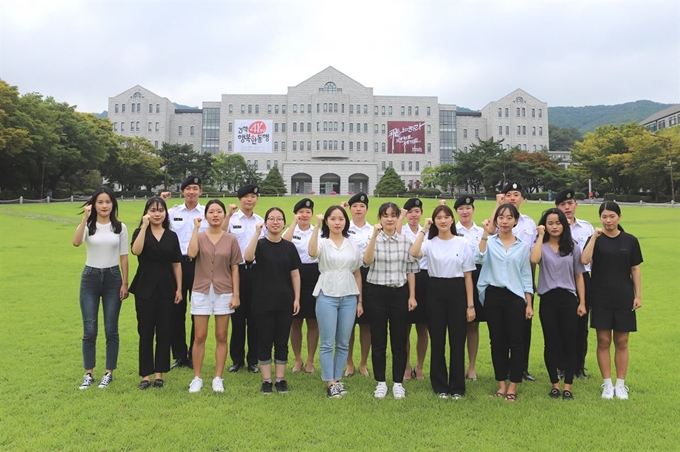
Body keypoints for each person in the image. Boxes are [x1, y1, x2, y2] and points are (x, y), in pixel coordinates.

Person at [410, 205, 476, 399]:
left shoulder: (462, 243)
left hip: (457, 291)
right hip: (435, 290)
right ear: (434, 221)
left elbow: (468, 277)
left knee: (457, 340)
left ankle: (457, 387)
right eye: (438, 217)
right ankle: (440, 386)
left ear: (452, 220)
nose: (443, 220)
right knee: (437, 340)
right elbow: (414, 253)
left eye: (446, 217)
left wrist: (470, 305)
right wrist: (424, 229)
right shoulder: (430, 243)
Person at [581, 202, 642, 400]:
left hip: (624, 296)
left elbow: (635, 269)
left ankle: (621, 385)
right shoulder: (595, 239)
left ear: (619, 217)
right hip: (600, 296)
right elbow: (584, 260)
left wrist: (638, 295)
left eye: (612, 216)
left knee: (622, 342)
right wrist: (594, 238)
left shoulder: (630, 240)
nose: (608, 220)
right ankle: (607, 384)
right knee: (603, 340)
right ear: (600, 218)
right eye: (605, 216)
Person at [72, 186, 129, 390]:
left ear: (113, 204)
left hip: (113, 278)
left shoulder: (120, 227)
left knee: (111, 329)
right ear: (93, 205)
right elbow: (76, 242)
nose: (104, 205)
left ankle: (108, 372)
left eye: (108, 202)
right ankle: (88, 373)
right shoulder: (89, 225)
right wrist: (84, 219)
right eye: (100, 202)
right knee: (89, 330)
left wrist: (125, 282)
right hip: (90, 278)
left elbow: (124, 256)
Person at [477, 203, 533, 402]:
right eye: (501, 217)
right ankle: (501, 384)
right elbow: (479, 257)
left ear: (516, 221)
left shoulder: (523, 246)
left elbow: (526, 275)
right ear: (496, 220)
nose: (505, 221)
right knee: (497, 341)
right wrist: (485, 233)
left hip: (515, 297)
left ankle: (513, 386)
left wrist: (529, 303)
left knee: (516, 342)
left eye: (509, 217)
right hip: (493, 295)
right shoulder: (490, 241)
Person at [185, 200, 242, 393]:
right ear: (206, 215)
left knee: (221, 335)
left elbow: (235, 267)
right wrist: (195, 229)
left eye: (219, 211)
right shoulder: (200, 236)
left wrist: (236, 294)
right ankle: (197, 377)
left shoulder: (231, 239)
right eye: (211, 212)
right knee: (199, 336)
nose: (215, 215)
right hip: (201, 290)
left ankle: (218, 377)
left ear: (224, 214)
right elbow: (191, 253)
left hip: (224, 291)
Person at [364, 202, 420, 399]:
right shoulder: (373, 239)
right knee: (378, 339)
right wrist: (373, 236)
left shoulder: (405, 241)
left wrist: (412, 296)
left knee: (399, 339)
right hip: (376, 292)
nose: (389, 219)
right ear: (379, 218)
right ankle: (380, 382)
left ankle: (397, 382)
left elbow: (411, 269)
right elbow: (367, 261)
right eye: (385, 215)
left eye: (393, 215)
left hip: (399, 293)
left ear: (398, 218)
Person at [530, 208, 587, 400]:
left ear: (564, 224)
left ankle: (568, 385)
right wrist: (540, 236)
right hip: (548, 299)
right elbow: (534, 259)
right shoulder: (541, 246)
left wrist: (582, 302)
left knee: (569, 342)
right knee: (551, 342)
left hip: (569, 299)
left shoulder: (572, 246)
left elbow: (579, 275)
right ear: (544, 225)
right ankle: (555, 384)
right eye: (550, 223)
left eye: (558, 222)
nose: (554, 227)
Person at [308, 206, 364, 398]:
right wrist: (316, 225)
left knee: (343, 342)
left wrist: (359, 300)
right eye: (333, 219)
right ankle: (329, 381)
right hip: (327, 294)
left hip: (349, 295)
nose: (337, 222)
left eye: (341, 219)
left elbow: (357, 272)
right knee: (327, 342)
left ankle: (337, 379)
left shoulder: (352, 244)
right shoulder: (322, 243)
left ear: (345, 222)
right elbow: (312, 252)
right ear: (327, 222)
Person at [244, 207, 301, 394]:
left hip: (285, 301)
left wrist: (297, 298)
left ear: (284, 223)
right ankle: (266, 380)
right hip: (262, 302)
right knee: (265, 341)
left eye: (279, 219)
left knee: (281, 341)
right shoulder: (260, 245)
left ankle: (280, 379)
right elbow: (248, 257)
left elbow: (295, 274)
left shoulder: (289, 247)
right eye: (271, 219)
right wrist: (256, 233)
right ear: (266, 222)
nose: (275, 222)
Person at [129, 197, 183, 389]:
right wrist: (144, 227)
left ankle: (159, 372)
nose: (157, 213)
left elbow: (177, 264)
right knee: (145, 332)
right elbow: (136, 251)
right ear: (147, 212)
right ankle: (146, 374)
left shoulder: (171, 236)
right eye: (153, 210)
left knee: (164, 331)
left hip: (167, 287)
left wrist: (179, 288)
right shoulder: (139, 232)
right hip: (145, 287)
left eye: (161, 210)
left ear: (165, 213)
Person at [491, 182, 538, 381]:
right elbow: (488, 238)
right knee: (501, 333)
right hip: (501, 282)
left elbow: (535, 254)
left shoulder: (530, 224)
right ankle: (505, 370)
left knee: (523, 330)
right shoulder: (497, 221)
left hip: (524, 282)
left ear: (522, 199)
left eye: (516, 194)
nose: (512, 197)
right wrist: (497, 207)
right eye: (508, 194)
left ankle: (521, 369)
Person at [168, 175, 209, 369]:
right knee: (176, 310)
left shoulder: (207, 212)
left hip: (199, 264)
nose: (191, 191)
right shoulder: (172, 212)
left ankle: (194, 355)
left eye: (195, 188)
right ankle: (179, 355)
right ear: (182, 191)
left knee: (198, 310)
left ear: (200, 191)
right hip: (176, 264)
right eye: (188, 188)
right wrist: (162, 200)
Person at [555, 188, 594, 379]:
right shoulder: (552, 226)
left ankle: (579, 367)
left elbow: (594, 257)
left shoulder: (587, 228)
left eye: (570, 204)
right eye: (562, 204)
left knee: (581, 326)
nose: (567, 207)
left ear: (576, 205)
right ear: (557, 207)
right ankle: (562, 367)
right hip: (560, 279)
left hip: (583, 279)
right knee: (561, 325)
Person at [225, 184, 264, 373]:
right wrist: (227, 215)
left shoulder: (260, 221)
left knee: (255, 318)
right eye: (246, 197)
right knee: (238, 318)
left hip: (256, 273)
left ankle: (253, 360)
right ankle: (237, 360)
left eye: (253, 197)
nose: (250, 200)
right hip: (236, 271)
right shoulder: (232, 219)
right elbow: (222, 237)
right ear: (240, 199)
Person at [282, 198, 320, 374]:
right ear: (296, 214)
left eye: (308, 212)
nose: (304, 215)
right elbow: (284, 244)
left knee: (313, 322)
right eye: (301, 212)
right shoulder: (291, 230)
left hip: (315, 275)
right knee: (295, 322)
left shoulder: (318, 231)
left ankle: (311, 360)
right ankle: (298, 359)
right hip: (293, 276)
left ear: (312, 214)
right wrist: (294, 223)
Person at [454, 195, 486, 381]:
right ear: (456, 212)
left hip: (476, 278)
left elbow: (483, 256)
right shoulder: (451, 229)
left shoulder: (480, 231)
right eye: (461, 208)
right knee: (457, 325)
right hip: (456, 277)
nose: (465, 211)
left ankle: (471, 367)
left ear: (473, 210)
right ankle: (457, 366)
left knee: (473, 325)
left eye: (468, 208)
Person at [397, 198, 429, 380]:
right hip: (406, 276)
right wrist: (401, 216)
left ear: (421, 213)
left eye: (417, 211)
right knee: (405, 326)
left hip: (425, 277)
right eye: (410, 212)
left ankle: (420, 365)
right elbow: (397, 234)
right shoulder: (403, 229)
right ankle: (407, 365)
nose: (414, 215)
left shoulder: (428, 231)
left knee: (422, 326)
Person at [343, 193, 372, 377]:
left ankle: (363, 363)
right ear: (351, 209)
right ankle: (349, 364)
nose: (358, 209)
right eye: (354, 206)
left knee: (366, 324)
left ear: (366, 209)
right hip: (346, 275)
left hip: (369, 275)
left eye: (362, 206)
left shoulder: (373, 229)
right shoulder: (344, 228)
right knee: (348, 324)